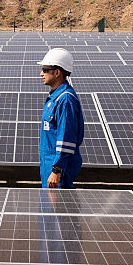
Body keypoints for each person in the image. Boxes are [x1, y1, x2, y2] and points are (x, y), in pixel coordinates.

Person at [38, 48, 84, 188]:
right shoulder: (55, 98)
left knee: (57, 208)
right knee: (48, 207)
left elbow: (66, 138)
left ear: (57, 72)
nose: (41, 74)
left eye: (45, 70)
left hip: (58, 171)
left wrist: (56, 170)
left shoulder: (65, 100)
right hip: (50, 165)